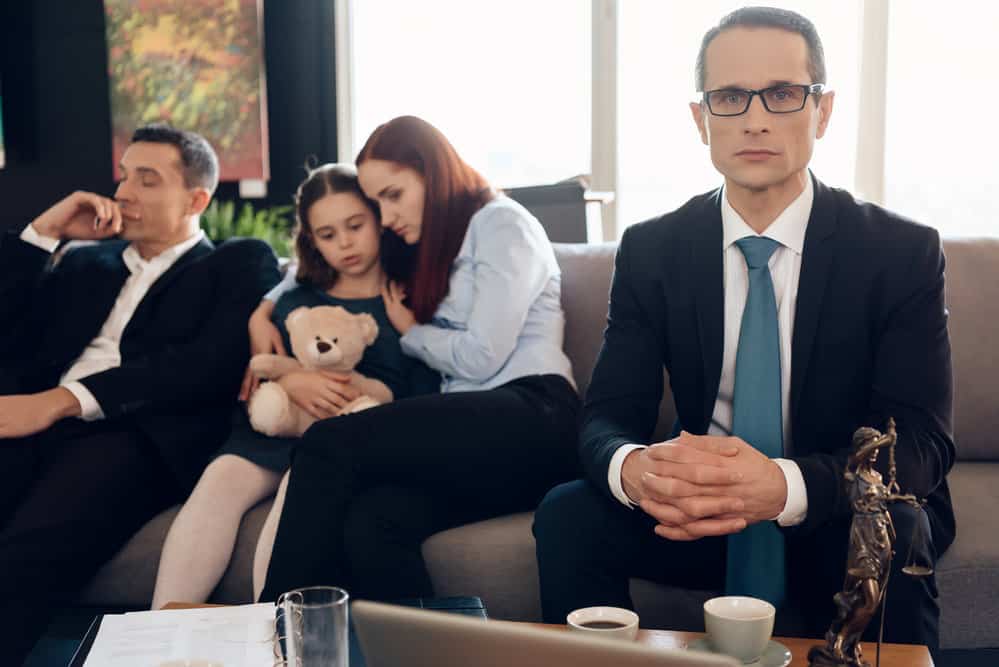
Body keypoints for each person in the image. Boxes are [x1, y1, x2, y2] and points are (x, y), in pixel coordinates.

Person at [532, 6, 953, 649]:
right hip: (703, 516)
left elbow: (921, 444)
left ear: (823, 111)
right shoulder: (653, 249)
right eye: (730, 97)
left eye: (783, 94)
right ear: (701, 120)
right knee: (568, 515)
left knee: (894, 526)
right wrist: (635, 470)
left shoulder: (901, 253)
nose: (755, 118)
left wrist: (781, 486)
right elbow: (605, 418)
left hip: (832, 507)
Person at [257, 115, 581, 602]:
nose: (386, 217)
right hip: (475, 439)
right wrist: (264, 309)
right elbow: (321, 260)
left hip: (535, 416)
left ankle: (275, 635)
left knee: (328, 444)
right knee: (373, 521)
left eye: (393, 195)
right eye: (378, 204)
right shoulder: (428, 239)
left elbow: (480, 357)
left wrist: (411, 333)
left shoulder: (501, 223)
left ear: (432, 171)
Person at [0, 123, 280, 661]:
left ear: (196, 198)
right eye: (124, 176)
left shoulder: (236, 261)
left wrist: (61, 401)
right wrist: (43, 232)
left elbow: (207, 365)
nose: (123, 192)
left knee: (27, 552)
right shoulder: (84, 262)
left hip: (136, 435)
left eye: (147, 180)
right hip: (33, 423)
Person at [151, 163, 439, 607]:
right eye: (326, 234)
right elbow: (264, 370)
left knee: (300, 489)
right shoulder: (296, 297)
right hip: (282, 425)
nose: (344, 243)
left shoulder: (408, 299)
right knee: (220, 478)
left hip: (351, 437)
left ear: (379, 216)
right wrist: (293, 375)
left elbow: (425, 391)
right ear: (311, 239)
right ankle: (161, 629)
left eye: (355, 225)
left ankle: (275, 632)